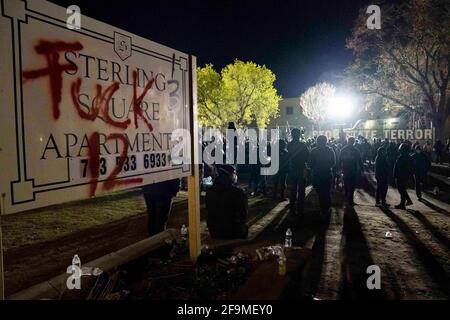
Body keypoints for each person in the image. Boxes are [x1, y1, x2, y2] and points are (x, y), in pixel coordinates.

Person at [206, 165, 248, 239]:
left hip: (214, 231)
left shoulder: (210, 191)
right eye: (234, 173)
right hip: (233, 232)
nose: (236, 176)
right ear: (230, 175)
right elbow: (243, 214)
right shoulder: (238, 192)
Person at [308, 135, 336, 215]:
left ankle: (324, 208)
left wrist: (314, 167)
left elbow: (310, 163)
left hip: (317, 174)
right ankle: (326, 207)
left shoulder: (314, 151)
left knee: (320, 192)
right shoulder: (330, 150)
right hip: (327, 173)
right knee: (326, 192)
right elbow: (333, 162)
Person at [287, 128, 310, 215]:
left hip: (292, 168)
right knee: (301, 190)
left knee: (293, 189)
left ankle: (292, 208)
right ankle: (300, 209)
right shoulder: (302, 145)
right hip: (301, 168)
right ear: (299, 135)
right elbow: (307, 156)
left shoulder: (289, 145)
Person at [339, 137, 363, 205]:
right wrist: (362, 169)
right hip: (353, 170)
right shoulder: (355, 150)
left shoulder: (343, 149)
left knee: (347, 184)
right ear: (353, 142)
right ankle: (350, 200)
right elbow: (360, 160)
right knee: (351, 185)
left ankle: (347, 198)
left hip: (346, 170)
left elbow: (339, 160)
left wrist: (339, 169)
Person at [393, 143, 414, 209]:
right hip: (405, 175)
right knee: (402, 189)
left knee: (401, 189)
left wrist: (395, 174)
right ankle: (404, 202)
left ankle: (405, 202)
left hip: (400, 176)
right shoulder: (409, 157)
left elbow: (397, 167)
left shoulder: (401, 157)